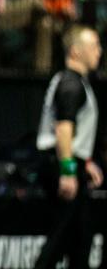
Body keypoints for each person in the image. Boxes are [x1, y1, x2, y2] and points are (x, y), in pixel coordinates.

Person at [34, 25, 104, 269]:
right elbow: (63, 129)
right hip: (61, 165)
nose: (100, 51)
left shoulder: (75, 82)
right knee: (60, 240)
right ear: (75, 52)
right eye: (94, 46)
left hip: (71, 163)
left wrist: (84, 162)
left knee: (81, 239)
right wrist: (68, 170)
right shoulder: (70, 84)